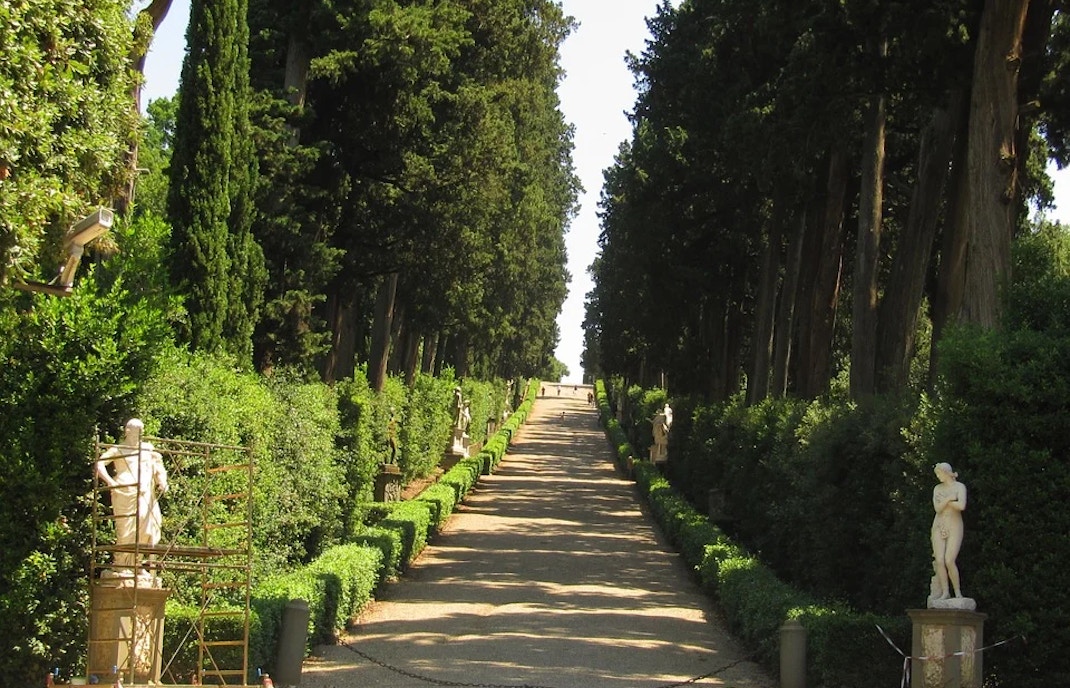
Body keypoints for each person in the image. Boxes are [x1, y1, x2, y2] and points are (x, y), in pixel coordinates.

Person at [96, 419, 168, 577]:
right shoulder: (119, 449)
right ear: (127, 431)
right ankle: (121, 564)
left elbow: (159, 467)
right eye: (134, 431)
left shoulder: (148, 449)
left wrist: (162, 481)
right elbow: (100, 463)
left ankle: (136, 563)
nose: (138, 435)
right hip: (125, 492)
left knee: (146, 527)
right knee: (126, 529)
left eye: (140, 431)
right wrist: (111, 483)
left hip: (145, 493)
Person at [930, 462, 967, 601]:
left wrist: (945, 501)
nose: (938, 476)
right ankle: (945, 592)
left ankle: (957, 591)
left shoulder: (959, 487)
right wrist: (950, 499)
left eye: (939, 474)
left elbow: (961, 505)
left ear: (946, 473)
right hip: (939, 525)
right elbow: (938, 509)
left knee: (949, 560)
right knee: (939, 560)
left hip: (954, 525)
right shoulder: (937, 489)